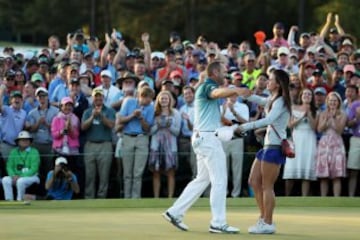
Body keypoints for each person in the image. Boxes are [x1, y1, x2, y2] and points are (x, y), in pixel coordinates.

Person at [163, 61, 246, 234]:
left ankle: (175, 212)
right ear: (215, 72)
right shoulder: (208, 86)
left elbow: (210, 112)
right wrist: (236, 90)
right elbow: (217, 93)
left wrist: (225, 122)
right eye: (224, 72)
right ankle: (218, 222)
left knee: (202, 179)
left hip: (203, 138)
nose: (226, 75)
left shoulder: (206, 89)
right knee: (220, 180)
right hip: (208, 140)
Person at [236, 69, 292, 234]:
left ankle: (268, 222)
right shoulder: (273, 99)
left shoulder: (281, 101)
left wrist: (245, 126)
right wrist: (244, 94)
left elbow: (268, 120)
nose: (268, 82)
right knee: (254, 181)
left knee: (267, 186)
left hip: (274, 148)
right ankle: (263, 217)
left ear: (278, 84)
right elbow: (259, 100)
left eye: (271, 79)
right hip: (267, 146)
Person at [117, 86, 155, 198]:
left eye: (151, 99)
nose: (149, 101)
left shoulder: (150, 108)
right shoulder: (129, 102)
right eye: (147, 98)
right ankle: (126, 198)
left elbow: (147, 128)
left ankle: (135, 199)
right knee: (127, 173)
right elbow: (120, 119)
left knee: (138, 173)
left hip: (142, 138)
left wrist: (141, 118)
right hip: (128, 137)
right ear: (141, 96)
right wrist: (133, 115)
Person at [81, 88, 115, 199]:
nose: (98, 98)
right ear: (93, 98)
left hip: (105, 144)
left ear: (103, 98)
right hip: (90, 145)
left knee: (104, 175)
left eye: (100, 96)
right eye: (96, 96)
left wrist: (101, 115)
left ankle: (102, 198)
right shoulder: (87, 111)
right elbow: (83, 127)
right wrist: (92, 116)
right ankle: (89, 197)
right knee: (89, 175)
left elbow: (111, 125)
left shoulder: (109, 111)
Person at [283, 88, 317, 196]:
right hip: (296, 138)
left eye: (309, 94)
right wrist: (302, 116)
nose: (307, 96)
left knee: (306, 168)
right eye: (305, 94)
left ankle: (304, 198)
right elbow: (289, 125)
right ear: (301, 96)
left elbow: (314, 127)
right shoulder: (293, 108)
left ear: (312, 98)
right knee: (291, 167)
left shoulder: (315, 110)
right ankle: (287, 196)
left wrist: (309, 114)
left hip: (309, 139)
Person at [149, 90, 181, 198]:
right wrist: (157, 125)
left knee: (170, 172)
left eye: (166, 98)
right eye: (162, 98)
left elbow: (177, 132)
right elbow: (149, 131)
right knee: (156, 172)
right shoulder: (153, 113)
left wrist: (168, 126)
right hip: (156, 146)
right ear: (158, 100)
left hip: (170, 146)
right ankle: (156, 197)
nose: (164, 100)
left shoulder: (176, 113)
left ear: (170, 100)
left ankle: (170, 197)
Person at [316, 92, 347, 197]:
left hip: (337, 143)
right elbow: (319, 129)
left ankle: (336, 199)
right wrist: (326, 120)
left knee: (336, 175)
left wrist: (333, 118)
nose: (333, 102)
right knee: (324, 175)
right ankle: (323, 199)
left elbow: (340, 130)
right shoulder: (323, 113)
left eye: (335, 101)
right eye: (331, 100)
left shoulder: (343, 114)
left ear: (338, 102)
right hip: (324, 144)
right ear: (327, 102)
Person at [2, 131, 40, 201]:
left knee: (20, 181)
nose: (25, 141)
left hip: (32, 177)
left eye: (27, 140)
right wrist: (13, 175)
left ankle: (20, 200)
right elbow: (9, 166)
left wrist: (20, 176)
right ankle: (9, 200)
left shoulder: (34, 151)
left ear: (30, 141)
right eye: (22, 140)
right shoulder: (14, 151)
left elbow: (34, 169)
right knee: (5, 180)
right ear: (18, 142)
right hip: (15, 177)